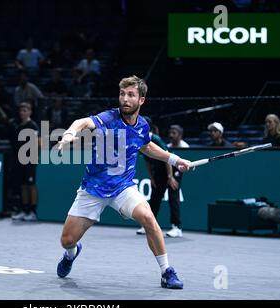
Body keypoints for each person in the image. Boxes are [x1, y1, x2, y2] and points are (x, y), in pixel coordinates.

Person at [56, 76, 191, 289]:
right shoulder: (109, 118)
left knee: (148, 217)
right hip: (93, 189)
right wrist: (70, 133)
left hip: (123, 187)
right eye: (122, 94)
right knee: (67, 240)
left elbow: (146, 147)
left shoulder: (143, 125)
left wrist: (175, 160)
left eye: (130, 95)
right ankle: (71, 255)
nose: (125, 99)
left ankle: (167, 271)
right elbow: (82, 122)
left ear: (141, 100)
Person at [136, 121, 184, 238]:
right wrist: (151, 177)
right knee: (155, 198)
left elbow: (167, 157)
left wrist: (170, 177)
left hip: (171, 168)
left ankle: (176, 227)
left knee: (173, 198)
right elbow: (147, 160)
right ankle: (148, 225)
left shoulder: (154, 138)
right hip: (158, 172)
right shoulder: (138, 139)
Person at [11, 102, 41, 222]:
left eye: (25, 110)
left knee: (31, 185)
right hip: (19, 159)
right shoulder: (19, 126)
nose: (22, 113)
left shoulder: (33, 125)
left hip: (30, 159)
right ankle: (24, 210)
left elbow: (39, 142)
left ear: (30, 112)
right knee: (23, 186)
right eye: (21, 111)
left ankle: (32, 212)